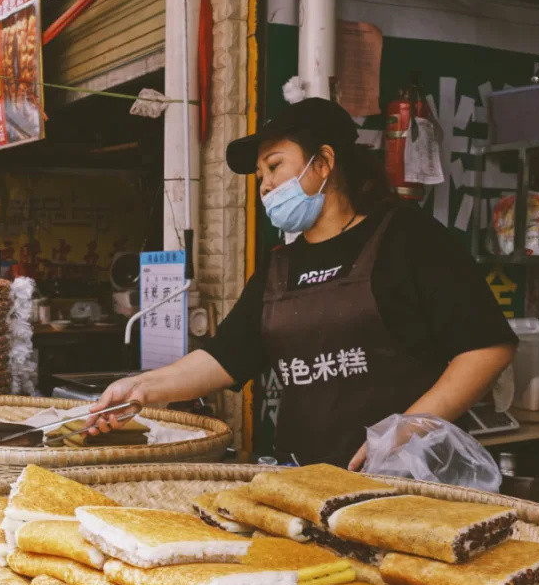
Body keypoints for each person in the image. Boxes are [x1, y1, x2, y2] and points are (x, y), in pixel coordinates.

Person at [91, 98, 516, 469]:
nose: (267, 185)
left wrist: (406, 431)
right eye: (260, 176)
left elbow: (486, 347)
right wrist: (141, 387)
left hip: (403, 478)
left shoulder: (407, 237)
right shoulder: (280, 267)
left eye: (274, 166)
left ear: (325, 163)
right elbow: (225, 358)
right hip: (303, 479)